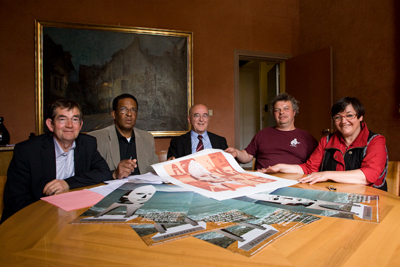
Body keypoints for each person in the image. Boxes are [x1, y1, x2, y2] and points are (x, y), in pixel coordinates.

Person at [1, 99, 111, 223]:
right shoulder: (27, 151)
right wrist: (50, 218)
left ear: (80, 125)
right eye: (62, 119)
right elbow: (16, 199)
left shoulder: (88, 144)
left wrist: (67, 183)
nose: (70, 125)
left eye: (75, 119)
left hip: (73, 217)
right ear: (50, 124)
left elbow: (104, 173)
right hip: (32, 219)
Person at [263, 97, 388, 191]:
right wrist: (280, 167)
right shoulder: (326, 141)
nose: (344, 121)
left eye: (349, 115)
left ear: (360, 117)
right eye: (338, 117)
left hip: (370, 198)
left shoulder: (375, 140)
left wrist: (327, 174)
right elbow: (309, 168)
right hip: (335, 195)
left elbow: (368, 175)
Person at [225, 93, 318, 169]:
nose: (282, 112)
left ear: (294, 112)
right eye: (277, 110)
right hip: (264, 180)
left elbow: (314, 165)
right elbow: (247, 156)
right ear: (273, 114)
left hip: (295, 182)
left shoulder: (307, 137)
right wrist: (237, 153)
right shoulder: (263, 134)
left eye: (286, 109)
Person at [89, 94, 158, 179]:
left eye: (133, 110)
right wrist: (114, 173)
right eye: (123, 109)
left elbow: (153, 171)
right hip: (112, 190)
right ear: (114, 114)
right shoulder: (96, 139)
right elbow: (90, 175)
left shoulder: (147, 138)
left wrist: (166, 168)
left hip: (144, 189)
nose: (129, 114)